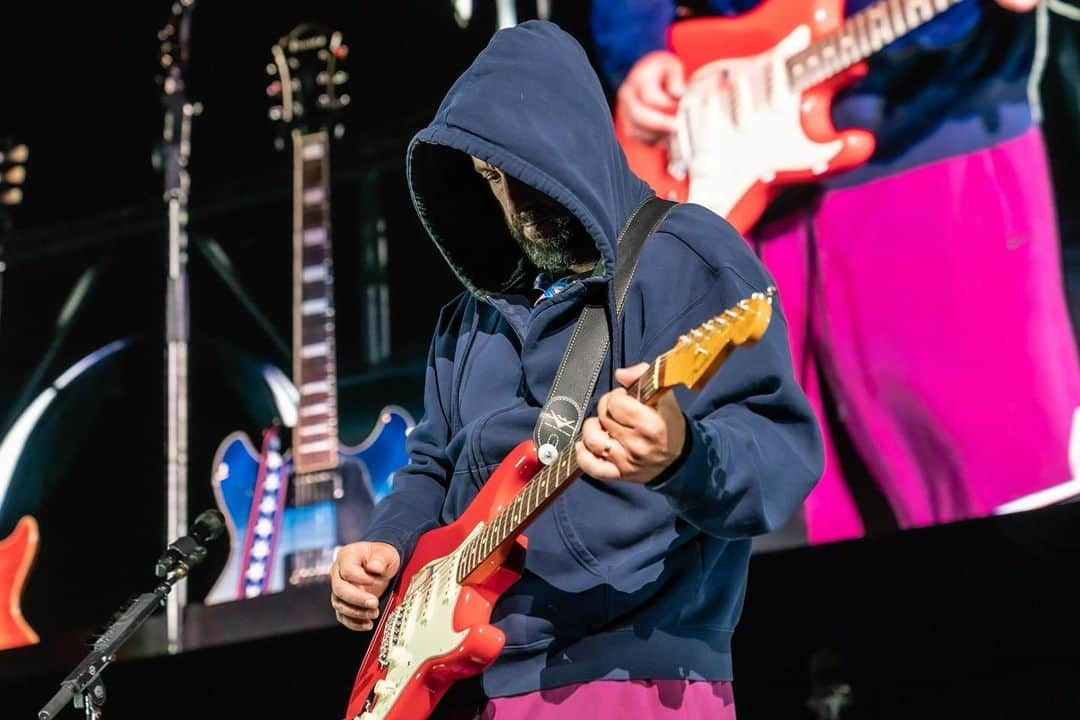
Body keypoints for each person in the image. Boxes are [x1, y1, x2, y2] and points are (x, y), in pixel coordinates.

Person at [329, 20, 823, 719]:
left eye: (535, 173)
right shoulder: (465, 318)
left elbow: (779, 454)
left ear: (578, 146)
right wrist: (385, 544)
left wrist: (681, 455)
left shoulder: (685, 257)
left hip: (637, 675)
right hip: (474, 684)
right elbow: (432, 468)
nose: (520, 205)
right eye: (497, 179)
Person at [594, 0, 1080, 543]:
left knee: (1006, 492)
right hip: (753, 182)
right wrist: (638, 50)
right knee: (823, 513)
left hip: (935, 147)